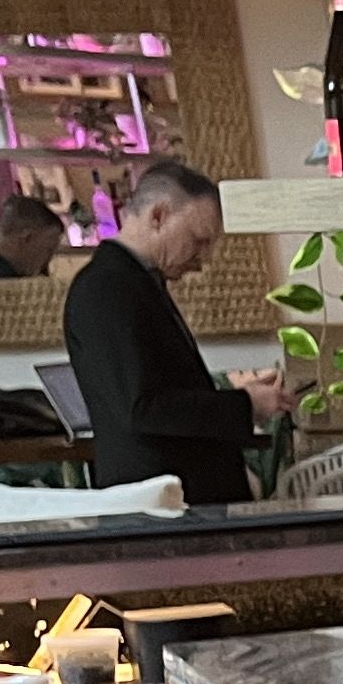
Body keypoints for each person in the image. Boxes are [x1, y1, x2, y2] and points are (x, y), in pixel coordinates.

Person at [59, 160, 284, 505]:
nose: (204, 258)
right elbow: (142, 408)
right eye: (199, 240)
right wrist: (244, 405)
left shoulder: (136, 282)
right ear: (158, 216)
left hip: (178, 495)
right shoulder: (107, 288)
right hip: (159, 503)